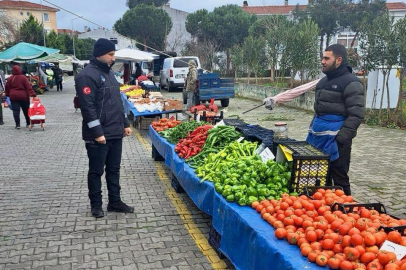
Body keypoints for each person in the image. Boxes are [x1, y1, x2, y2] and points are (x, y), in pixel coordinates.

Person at [75, 38, 134, 218]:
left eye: (113, 54)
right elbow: (88, 108)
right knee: (96, 171)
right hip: (98, 136)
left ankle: (114, 202)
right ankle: (96, 205)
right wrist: (98, 133)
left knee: (114, 169)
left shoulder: (109, 73)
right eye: (110, 54)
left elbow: (117, 103)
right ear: (99, 54)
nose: (112, 58)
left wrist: (125, 124)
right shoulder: (86, 75)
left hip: (115, 132)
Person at [307, 44, 364, 195]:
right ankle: (325, 211)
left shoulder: (351, 82)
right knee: (320, 178)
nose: (322, 61)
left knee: (339, 179)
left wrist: (341, 139)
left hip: (337, 141)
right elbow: (319, 111)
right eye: (322, 58)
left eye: (326, 58)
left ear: (338, 60)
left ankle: (345, 212)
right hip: (318, 139)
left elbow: (356, 115)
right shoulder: (322, 82)